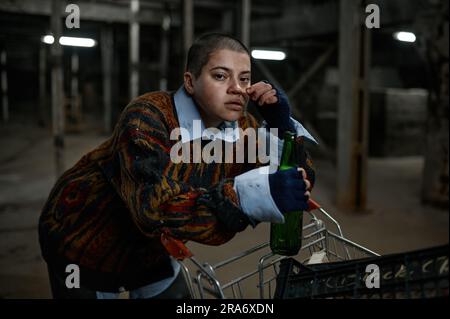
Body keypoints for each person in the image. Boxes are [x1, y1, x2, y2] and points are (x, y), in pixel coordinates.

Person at [38, 33, 316, 299]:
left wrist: (282, 130)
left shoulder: (242, 128)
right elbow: (153, 210)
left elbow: (300, 182)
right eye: (220, 76)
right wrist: (246, 197)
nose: (237, 88)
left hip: (155, 250)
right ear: (190, 82)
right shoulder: (147, 117)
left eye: (244, 78)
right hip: (84, 241)